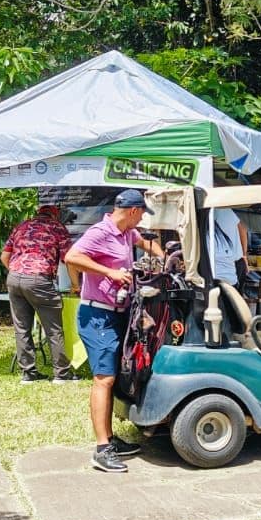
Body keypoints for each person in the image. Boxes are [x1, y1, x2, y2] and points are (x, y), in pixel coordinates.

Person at [63, 189, 159, 473]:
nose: (142, 218)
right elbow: (71, 257)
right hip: (98, 315)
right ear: (132, 211)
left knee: (117, 373)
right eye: (142, 213)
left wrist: (170, 260)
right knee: (103, 378)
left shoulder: (127, 233)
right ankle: (102, 449)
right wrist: (110, 273)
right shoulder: (100, 232)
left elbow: (146, 243)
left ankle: (111, 438)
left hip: (119, 314)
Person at [0, 203, 74, 383]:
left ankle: (28, 374)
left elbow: (4, 256)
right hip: (39, 280)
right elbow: (70, 259)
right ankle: (62, 374)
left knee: (22, 328)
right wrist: (76, 284)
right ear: (55, 215)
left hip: (14, 278)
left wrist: (18, 271)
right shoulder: (57, 227)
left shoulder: (22, 226)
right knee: (53, 328)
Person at [209, 206, 248, 288]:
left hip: (227, 266)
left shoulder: (212, 212)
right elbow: (243, 229)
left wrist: (244, 255)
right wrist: (244, 255)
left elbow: (242, 229)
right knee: (235, 297)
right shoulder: (225, 210)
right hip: (236, 262)